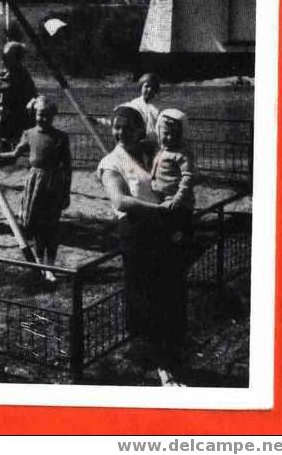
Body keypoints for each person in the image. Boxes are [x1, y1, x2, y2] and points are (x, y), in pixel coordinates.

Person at [97, 105, 188, 387]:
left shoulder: (152, 152)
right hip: (135, 232)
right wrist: (159, 209)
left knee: (168, 292)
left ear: (139, 129)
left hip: (160, 229)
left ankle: (165, 353)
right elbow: (120, 201)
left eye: (126, 126)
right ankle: (162, 367)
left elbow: (178, 153)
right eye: (116, 127)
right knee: (146, 297)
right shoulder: (111, 162)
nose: (119, 132)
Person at [0, 95, 72, 281]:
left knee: (51, 226)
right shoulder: (29, 134)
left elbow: (68, 167)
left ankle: (50, 267)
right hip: (34, 183)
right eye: (40, 115)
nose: (43, 119)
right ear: (34, 114)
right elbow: (14, 155)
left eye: (47, 115)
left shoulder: (61, 137)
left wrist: (66, 192)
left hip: (53, 184)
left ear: (53, 116)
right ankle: (40, 264)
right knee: (35, 225)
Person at [151, 108, 198, 258]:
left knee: (179, 233)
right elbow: (155, 169)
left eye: (174, 134)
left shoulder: (182, 154)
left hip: (178, 203)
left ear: (181, 135)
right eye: (165, 133)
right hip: (163, 199)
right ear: (159, 132)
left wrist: (178, 199)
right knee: (164, 232)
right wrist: (152, 181)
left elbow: (188, 178)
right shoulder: (162, 151)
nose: (169, 138)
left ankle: (181, 256)